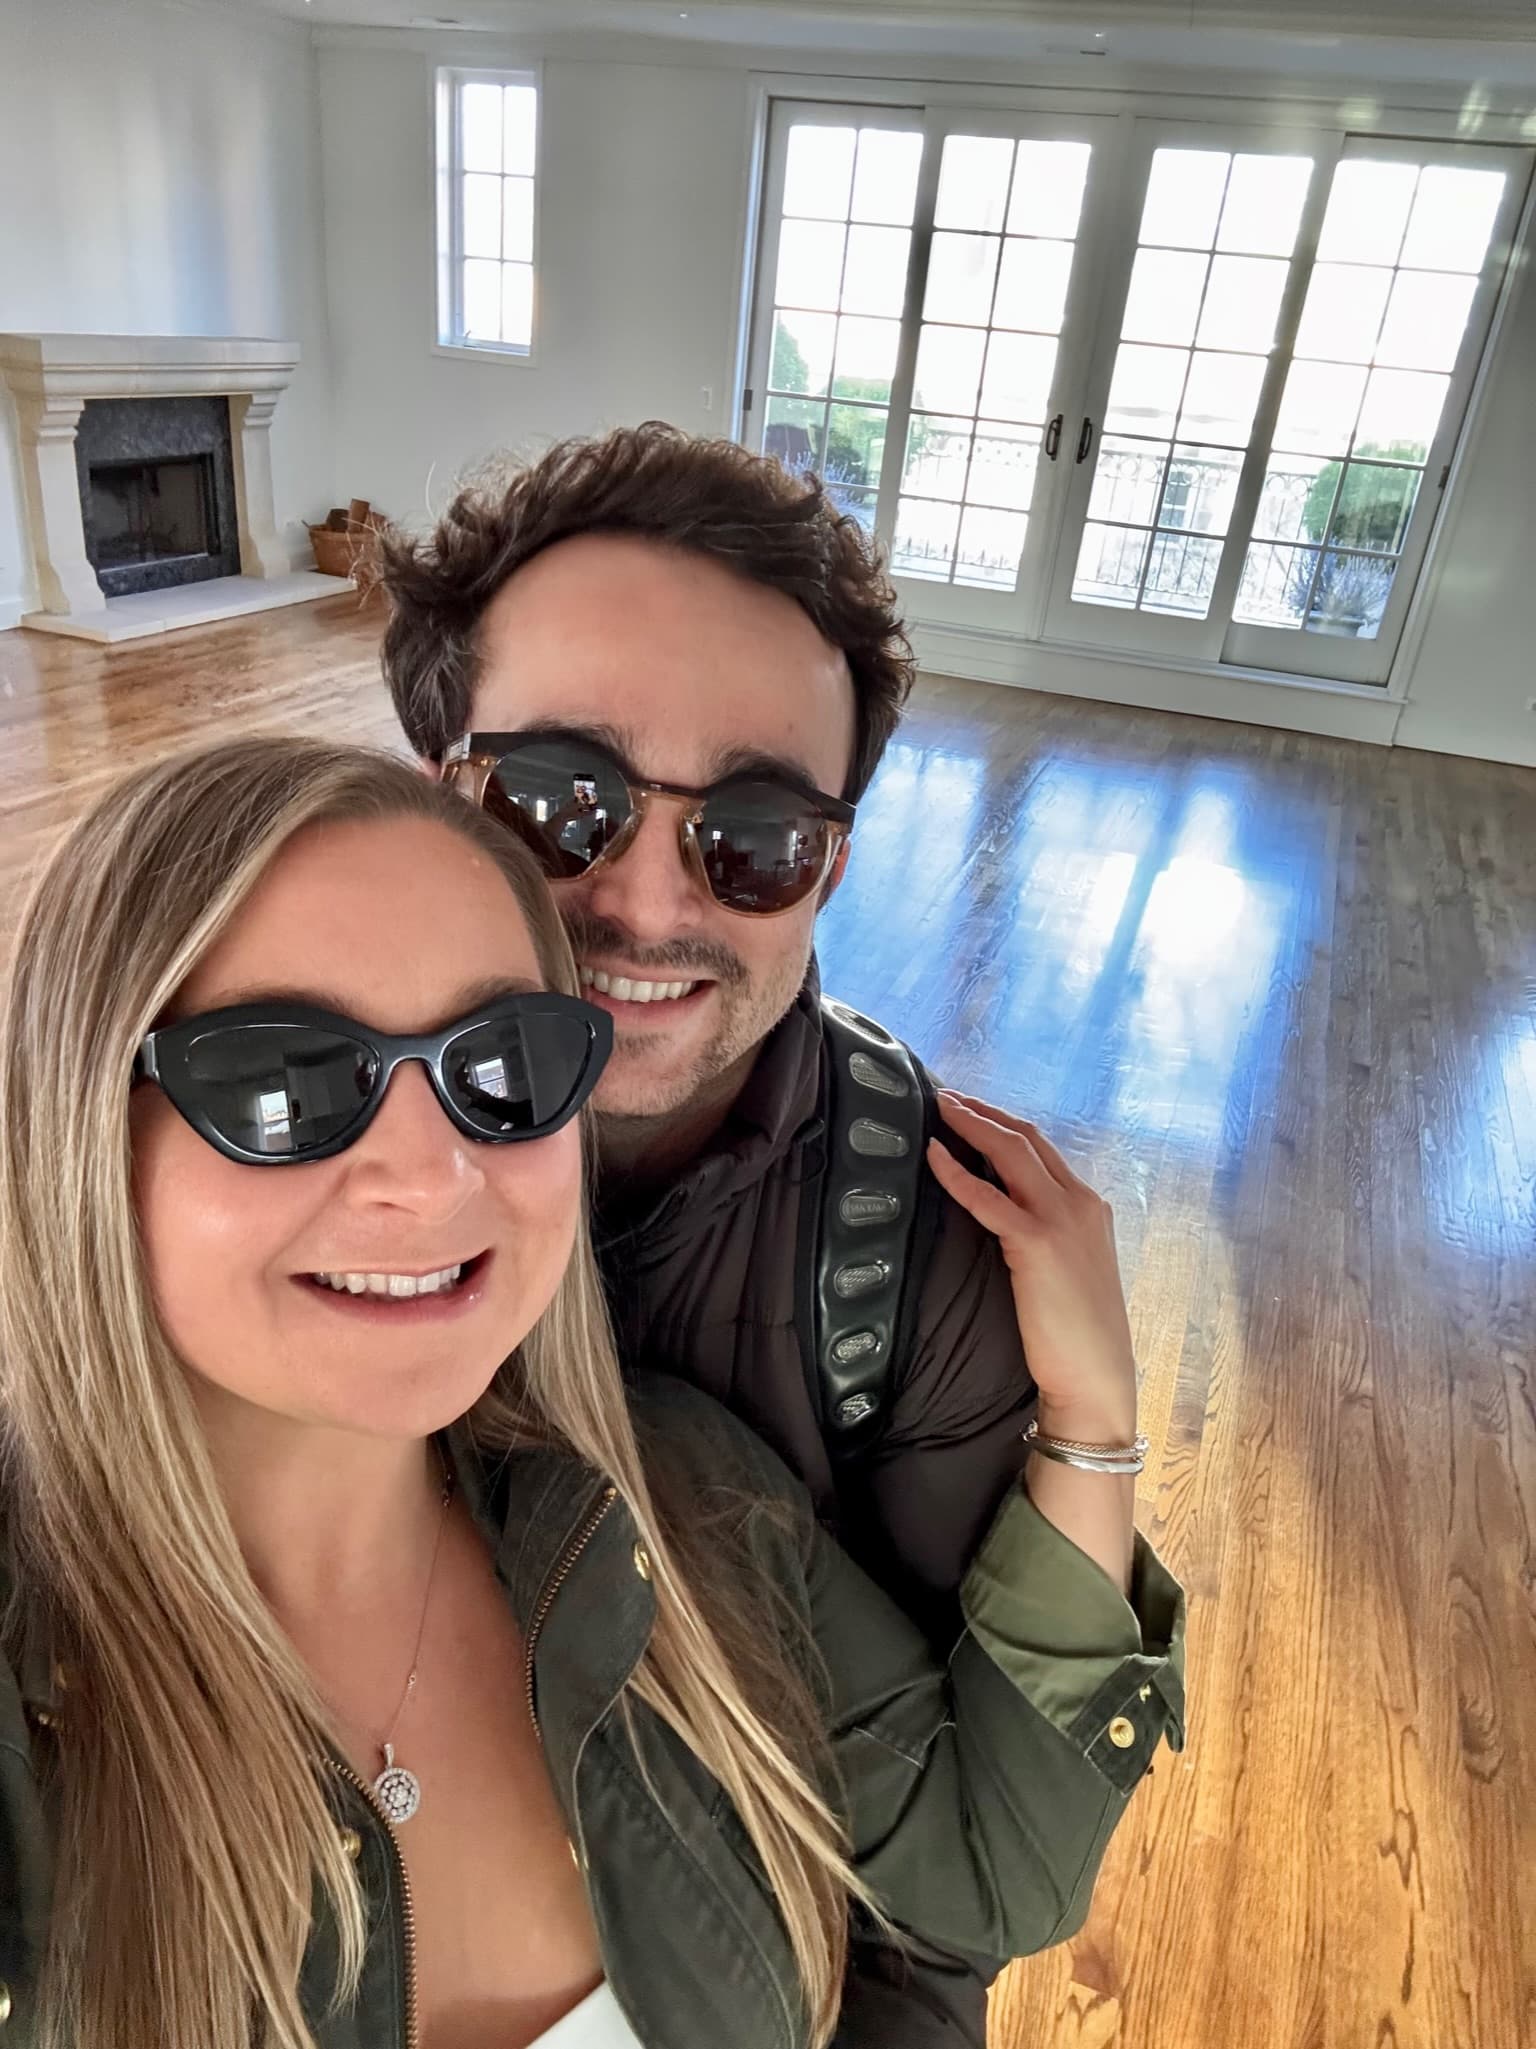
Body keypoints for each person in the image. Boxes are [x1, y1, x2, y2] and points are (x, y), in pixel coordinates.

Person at [0, 736, 1183, 2049]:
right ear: (81, 1122)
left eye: (501, 1066)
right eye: (282, 1080)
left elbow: (991, 1860)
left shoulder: (684, 1508)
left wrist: (1093, 1418)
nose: (433, 1177)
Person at [373, 422, 1084, 2041]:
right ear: (435, 789)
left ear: (830, 869)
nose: (647, 904)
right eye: (557, 800)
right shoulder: (240, 1147)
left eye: (756, 837)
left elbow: (923, 1924)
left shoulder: (920, 1249)